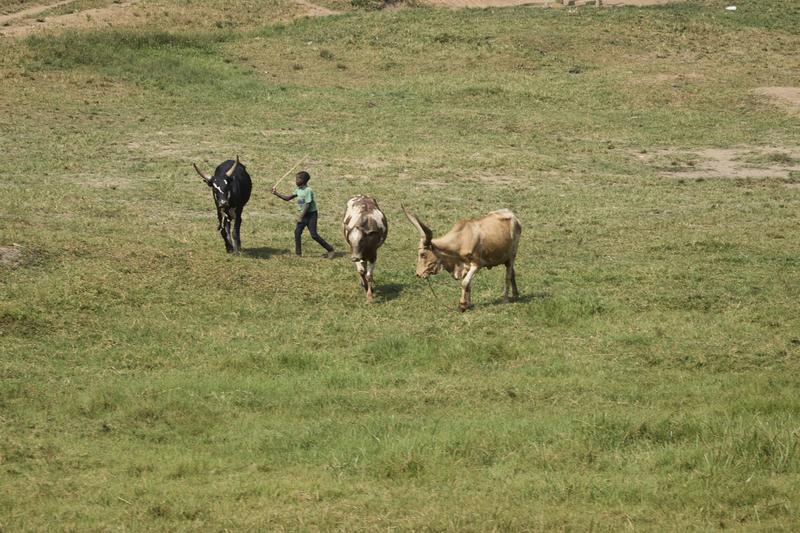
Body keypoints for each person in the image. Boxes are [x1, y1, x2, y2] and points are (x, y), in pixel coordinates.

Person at [272, 171, 335, 258]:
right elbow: (288, 198)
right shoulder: (298, 190)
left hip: (311, 215)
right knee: (297, 232)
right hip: (303, 215)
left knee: (314, 235)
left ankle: (330, 249)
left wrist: (300, 217)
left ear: (303, 180)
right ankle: (298, 254)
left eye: (297, 179)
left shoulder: (308, 190)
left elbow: (308, 204)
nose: (296, 181)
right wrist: (276, 193)